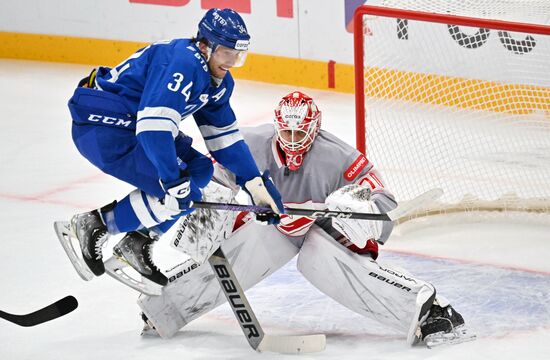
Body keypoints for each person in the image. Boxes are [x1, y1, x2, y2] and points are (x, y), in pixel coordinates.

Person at [137, 91, 474, 347]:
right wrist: (222, 198)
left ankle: (429, 310)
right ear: (277, 126)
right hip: (271, 222)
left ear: (316, 127)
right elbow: (209, 175)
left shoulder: (339, 156)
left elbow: (383, 199)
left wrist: (356, 209)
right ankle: (166, 308)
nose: (294, 141)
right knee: (240, 252)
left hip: (322, 229)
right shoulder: (249, 142)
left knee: (327, 266)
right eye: (287, 133)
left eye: (301, 134)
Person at [55, 8, 284, 289]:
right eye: (227, 53)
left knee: (200, 171)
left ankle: (137, 242)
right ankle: (96, 223)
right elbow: (153, 130)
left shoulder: (216, 80)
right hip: (103, 128)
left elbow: (224, 139)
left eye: (239, 54)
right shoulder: (184, 63)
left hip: (133, 126)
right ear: (205, 45)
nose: (233, 61)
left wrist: (255, 183)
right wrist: (173, 181)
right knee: (184, 189)